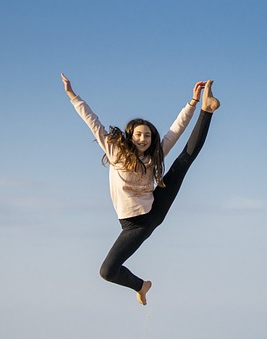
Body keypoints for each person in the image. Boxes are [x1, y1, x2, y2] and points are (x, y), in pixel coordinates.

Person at [61, 73, 220, 305]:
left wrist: (193, 103)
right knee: (108, 271)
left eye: (147, 135)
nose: (143, 138)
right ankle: (141, 285)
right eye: (139, 134)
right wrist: (73, 95)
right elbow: (92, 121)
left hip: (149, 214)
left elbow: (175, 131)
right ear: (130, 136)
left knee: (183, 161)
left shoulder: (155, 155)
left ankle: (208, 110)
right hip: (130, 224)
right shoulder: (115, 152)